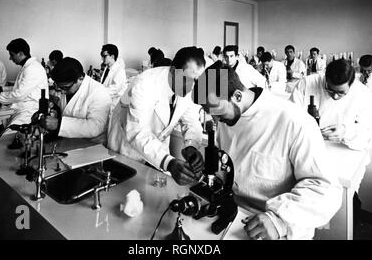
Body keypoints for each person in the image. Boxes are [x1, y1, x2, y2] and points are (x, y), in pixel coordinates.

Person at [193, 61, 342, 240]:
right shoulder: (228, 117)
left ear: (238, 96)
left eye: (216, 111)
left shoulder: (295, 121)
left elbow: (325, 189)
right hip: (235, 217)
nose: (214, 119)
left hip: (276, 226)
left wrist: (280, 220)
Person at [107, 47, 205, 185]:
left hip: (156, 149)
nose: (192, 87)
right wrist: (168, 162)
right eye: (187, 79)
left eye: (197, 80)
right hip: (128, 148)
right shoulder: (144, 83)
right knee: (125, 193)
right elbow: (137, 132)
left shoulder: (189, 87)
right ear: (172, 70)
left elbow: (191, 120)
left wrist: (192, 146)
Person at [290, 59, 372, 151]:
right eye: (329, 89)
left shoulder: (362, 93)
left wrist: (346, 131)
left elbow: (368, 130)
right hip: (308, 145)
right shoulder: (306, 84)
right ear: (325, 77)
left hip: (344, 148)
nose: (335, 96)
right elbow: (291, 118)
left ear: (351, 84)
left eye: (341, 92)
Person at [45, 57, 112, 142]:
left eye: (66, 88)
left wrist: (59, 124)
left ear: (80, 78)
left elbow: (95, 127)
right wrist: (54, 109)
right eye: (59, 88)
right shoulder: (67, 87)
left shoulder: (98, 92)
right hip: (69, 142)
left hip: (91, 145)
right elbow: (67, 111)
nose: (62, 92)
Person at [0, 38, 48, 127]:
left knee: (6, 135)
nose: (10, 58)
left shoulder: (33, 68)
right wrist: (2, 89)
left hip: (30, 112)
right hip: (21, 108)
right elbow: (20, 88)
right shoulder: (27, 67)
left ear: (21, 53)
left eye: (12, 55)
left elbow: (19, 94)